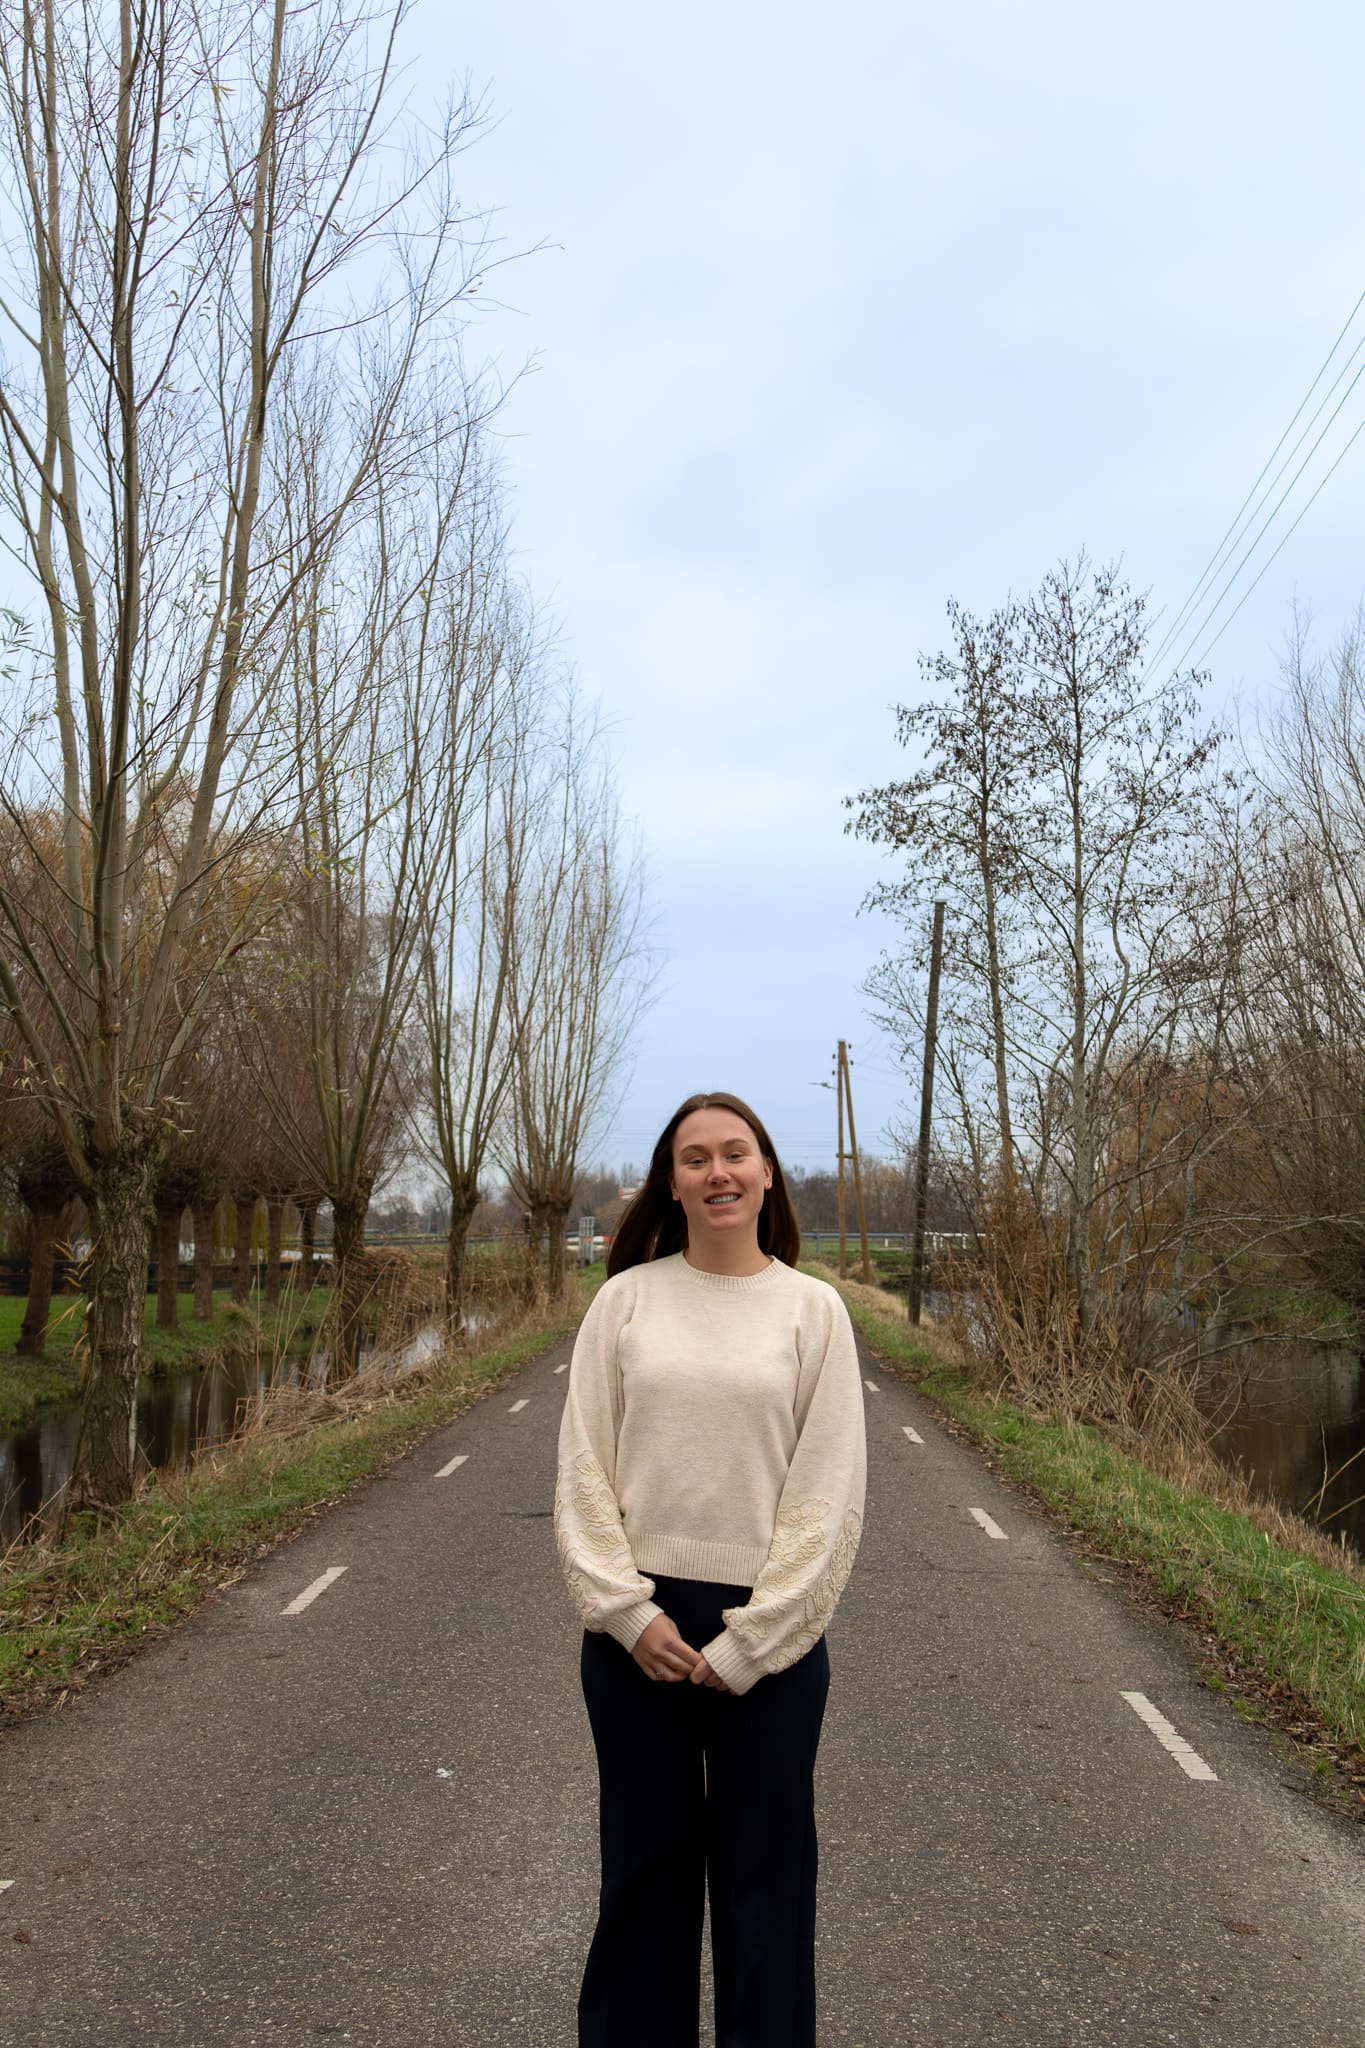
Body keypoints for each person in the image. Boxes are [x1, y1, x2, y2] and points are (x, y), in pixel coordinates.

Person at [554, 1090, 867, 2048]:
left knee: (765, 1894)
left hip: (769, 1645)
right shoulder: (625, 1303)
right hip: (636, 1638)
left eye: (736, 1153)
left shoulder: (814, 1313)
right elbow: (581, 1474)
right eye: (695, 1159)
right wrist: (623, 1613)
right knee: (643, 1882)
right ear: (672, 1184)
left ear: (769, 1173)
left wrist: (754, 1644)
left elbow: (829, 1495)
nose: (717, 1171)